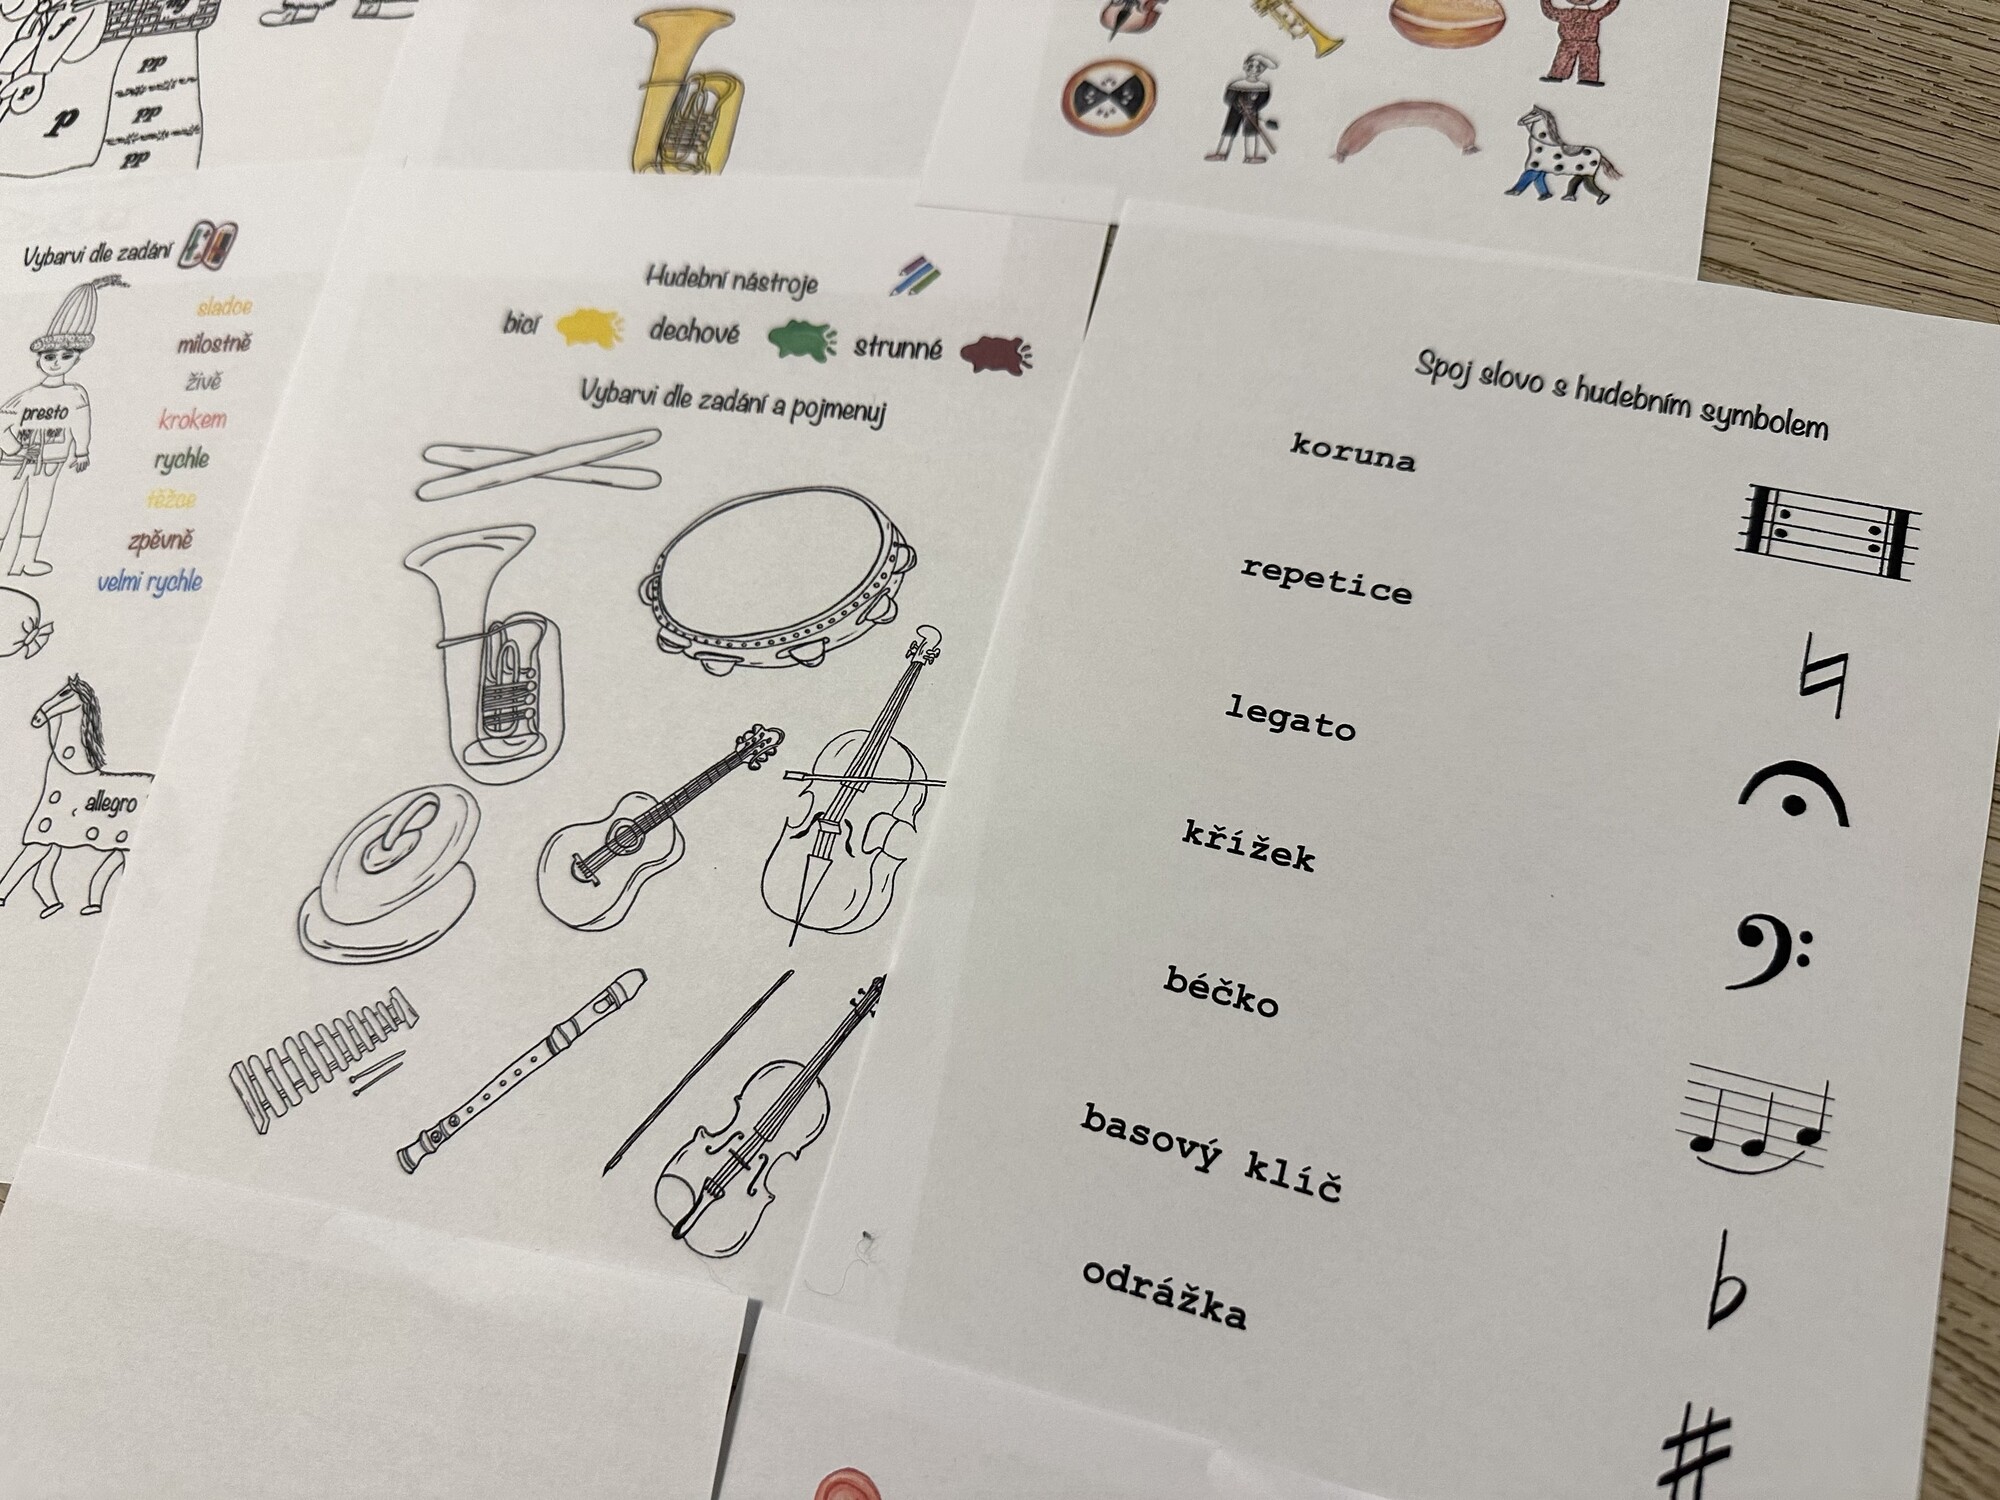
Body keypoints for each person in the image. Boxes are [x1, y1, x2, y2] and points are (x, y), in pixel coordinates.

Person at [0, 275, 120, 578]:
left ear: (76, 360)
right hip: (13, 462)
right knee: (3, 507)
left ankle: (24, 561)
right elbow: (1, 424)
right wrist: (15, 449)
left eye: (66, 356)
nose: (56, 362)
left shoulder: (75, 394)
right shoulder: (25, 397)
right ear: (40, 360)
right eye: (50, 356)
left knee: (39, 506)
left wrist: (82, 452)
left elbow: (81, 423)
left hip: (51, 461)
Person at [1206, 53, 1278, 164]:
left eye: (1258, 68)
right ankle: (1221, 153)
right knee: (1229, 131)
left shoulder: (1263, 86)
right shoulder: (1236, 84)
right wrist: (1238, 105)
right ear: (1245, 67)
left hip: (1251, 112)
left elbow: (1263, 100)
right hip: (1235, 112)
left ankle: (1251, 155)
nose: (1254, 70)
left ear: (1262, 70)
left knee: (1251, 132)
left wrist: (1254, 107)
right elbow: (1228, 98)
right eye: (1251, 66)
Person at [1541, 0, 1619, 87]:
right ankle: (1585, 78)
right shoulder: (1592, 15)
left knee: (1568, 59)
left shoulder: (1567, 14)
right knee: (1580, 59)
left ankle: (1560, 75)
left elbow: (1549, 11)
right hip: (1581, 42)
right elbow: (1607, 8)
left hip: (1579, 43)